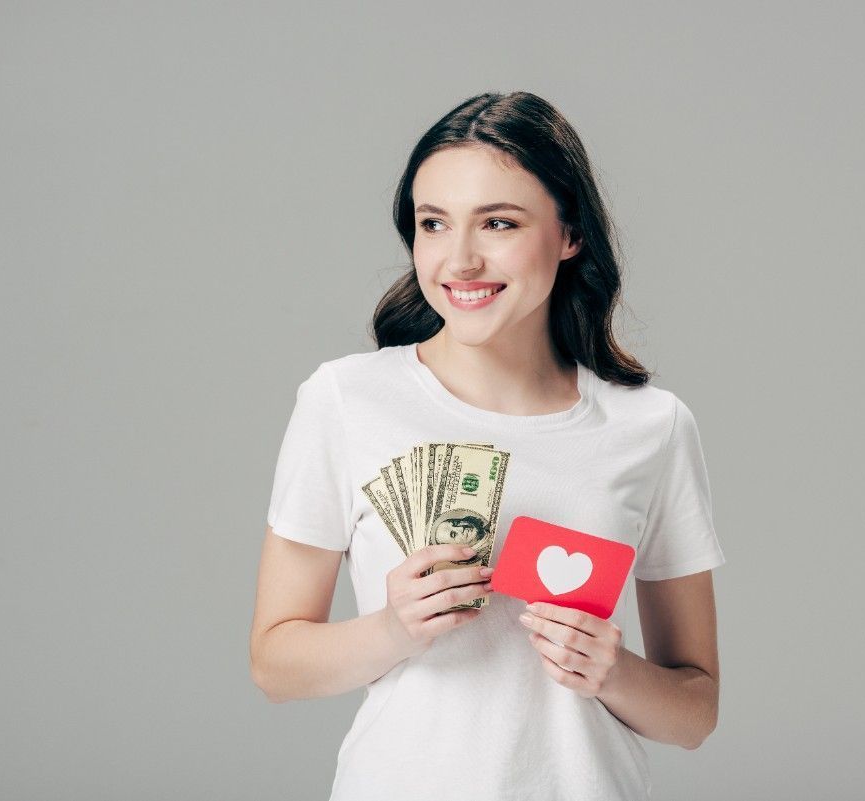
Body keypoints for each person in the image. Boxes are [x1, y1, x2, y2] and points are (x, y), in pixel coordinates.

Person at [249, 90, 726, 801]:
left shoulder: (651, 427)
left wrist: (613, 669)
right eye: (433, 223)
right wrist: (393, 628)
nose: (460, 260)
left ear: (570, 234)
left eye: (499, 222)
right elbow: (274, 663)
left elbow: (695, 714)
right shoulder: (344, 401)